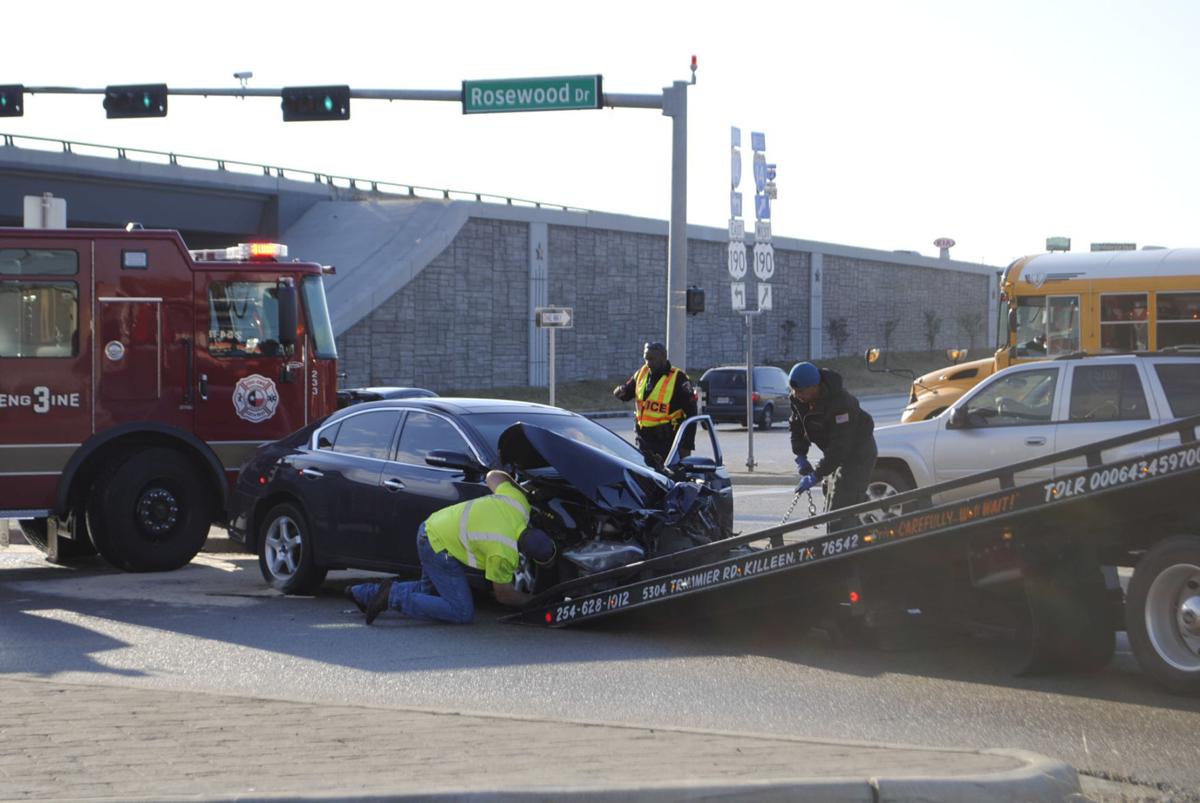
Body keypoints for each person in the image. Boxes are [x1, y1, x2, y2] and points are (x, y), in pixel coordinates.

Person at [346, 470, 557, 625]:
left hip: (431, 528)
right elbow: (504, 595)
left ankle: (361, 593)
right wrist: (535, 601)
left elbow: (493, 475)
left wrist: (521, 489)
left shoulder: (519, 502)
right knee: (461, 611)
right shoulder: (504, 553)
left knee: (429, 591)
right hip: (438, 546)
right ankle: (392, 597)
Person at [788, 361, 877, 532]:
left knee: (840, 509)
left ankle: (845, 550)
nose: (797, 395)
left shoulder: (841, 404)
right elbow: (796, 426)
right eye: (795, 391)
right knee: (831, 500)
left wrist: (817, 474)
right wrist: (800, 456)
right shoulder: (799, 399)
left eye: (802, 391)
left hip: (857, 454)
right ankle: (857, 534)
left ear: (816, 386)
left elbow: (840, 446)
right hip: (835, 455)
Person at [612, 341, 697, 468]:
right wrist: (620, 391)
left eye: (652, 359)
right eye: (646, 358)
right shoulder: (642, 373)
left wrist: (687, 446)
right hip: (643, 440)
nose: (648, 363)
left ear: (663, 357)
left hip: (667, 442)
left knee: (668, 479)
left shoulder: (679, 379)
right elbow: (628, 392)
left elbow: (692, 413)